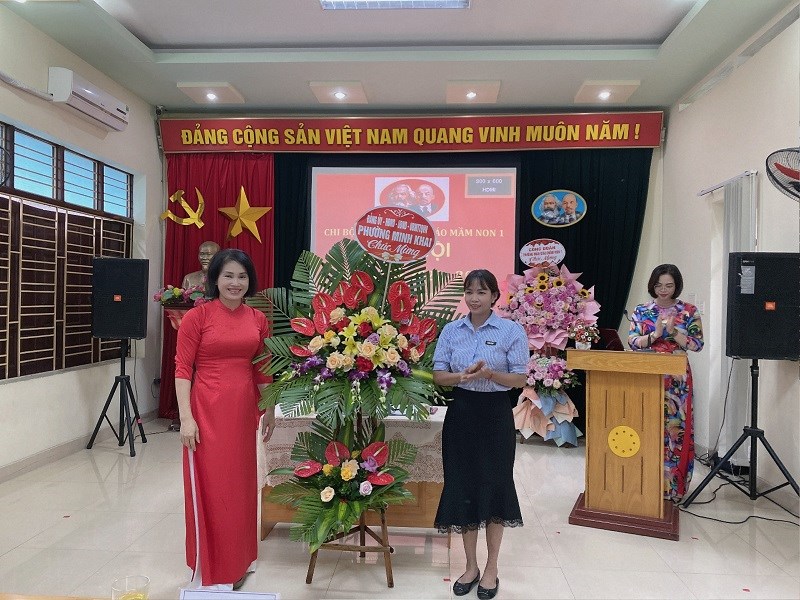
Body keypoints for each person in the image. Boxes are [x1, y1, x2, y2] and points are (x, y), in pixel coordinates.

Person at [175, 248, 275, 590]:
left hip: (244, 411)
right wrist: (186, 418)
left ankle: (240, 559)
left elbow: (262, 368)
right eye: (228, 275)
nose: (235, 283)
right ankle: (213, 564)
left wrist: (270, 408)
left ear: (250, 281)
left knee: (241, 487)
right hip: (206, 411)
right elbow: (182, 369)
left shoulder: (257, 319)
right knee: (213, 486)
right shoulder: (197, 318)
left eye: (242, 276)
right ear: (215, 279)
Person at [433, 269, 528, 600]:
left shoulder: (510, 331)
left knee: (495, 486)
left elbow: (519, 379)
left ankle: (491, 568)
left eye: (482, 292)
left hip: (495, 416)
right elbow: (439, 375)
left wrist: (489, 374)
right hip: (461, 414)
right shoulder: (451, 330)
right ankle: (471, 566)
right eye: (470, 292)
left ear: (494, 296)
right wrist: (461, 376)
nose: (474, 298)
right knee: (463, 486)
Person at [627, 264, 703, 502]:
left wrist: (674, 333)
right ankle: (646, 483)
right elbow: (632, 342)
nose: (663, 289)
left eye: (669, 285)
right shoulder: (642, 310)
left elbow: (697, 344)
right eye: (659, 285)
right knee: (647, 427)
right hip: (648, 375)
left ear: (676, 286)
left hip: (678, 380)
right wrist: (655, 335)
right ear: (652, 285)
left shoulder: (689, 311)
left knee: (676, 431)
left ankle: (674, 488)